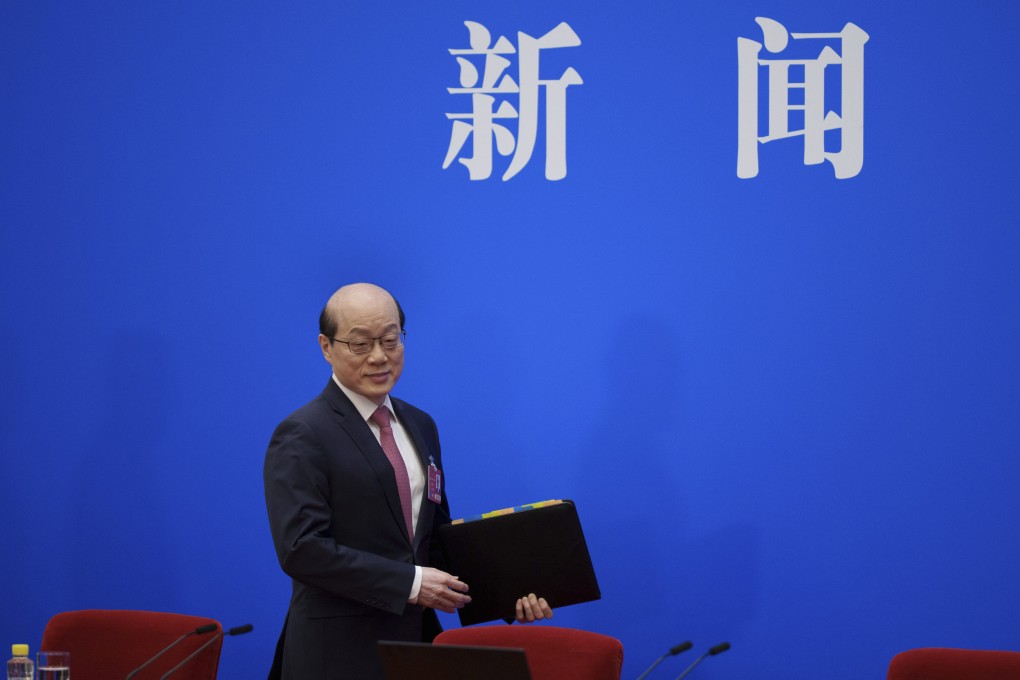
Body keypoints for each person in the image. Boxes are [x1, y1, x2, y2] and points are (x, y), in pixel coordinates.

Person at [264, 283, 551, 679]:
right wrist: (410, 584)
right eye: (360, 344)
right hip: (336, 654)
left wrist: (507, 592)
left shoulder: (420, 425)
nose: (380, 357)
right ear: (326, 347)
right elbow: (301, 549)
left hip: (415, 648)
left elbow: (434, 542)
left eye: (390, 339)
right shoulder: (303, 433)